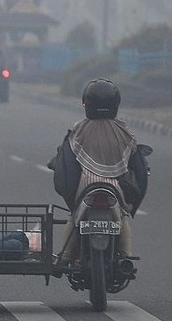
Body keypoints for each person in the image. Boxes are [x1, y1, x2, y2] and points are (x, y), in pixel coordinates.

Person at [48, 78, 149, 266]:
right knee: (122, 216)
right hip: (115, 186)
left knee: (74, 215)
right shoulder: (124, 131)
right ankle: (126, 257)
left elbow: (67, 160)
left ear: (86, 103)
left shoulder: (78, 129)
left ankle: (66, 257)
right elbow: (136, 162)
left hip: (85, 184)